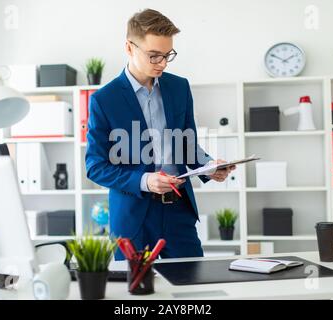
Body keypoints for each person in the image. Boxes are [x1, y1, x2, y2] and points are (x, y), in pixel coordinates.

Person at [85, 8, 235, 260]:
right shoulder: (103, 100)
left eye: (168, 55)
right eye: (154, 56)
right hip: (133, 218)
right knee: (138, 292)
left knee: (192, 287)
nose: (163, 63)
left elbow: (188, 146)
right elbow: (95, 167)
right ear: (129, 48)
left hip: (179, 213)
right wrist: (145, 181)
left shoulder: (179, 87)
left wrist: (208, 166)